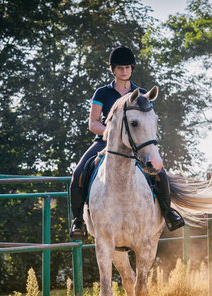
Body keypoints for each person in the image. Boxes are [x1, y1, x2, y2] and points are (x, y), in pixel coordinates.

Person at [69, 45, 184, 238]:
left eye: (128, 67)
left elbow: (146, 122)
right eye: (120, 68)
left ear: (132, 69)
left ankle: (168, 212)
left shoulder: (142, 94)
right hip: (105, 143)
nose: (124, 71)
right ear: (113, 70)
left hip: (135, 144)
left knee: (160, 173)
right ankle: (78, 220)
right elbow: (93, 123)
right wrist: (112, 134)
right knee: (78, 173)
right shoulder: (102, 93)